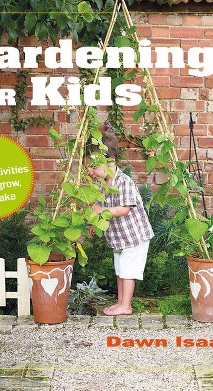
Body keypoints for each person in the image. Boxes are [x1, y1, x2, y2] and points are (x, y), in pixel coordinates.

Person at [86, 122, 154, 316]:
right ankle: (121, 302)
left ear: (110, 162)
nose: (90, 171)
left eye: (93, 166)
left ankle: (126, 305)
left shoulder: (124, 182)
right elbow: (102, 209)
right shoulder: (103, 184)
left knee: (128, 271)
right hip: (120, 239)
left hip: (134, 237)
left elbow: (124, 209)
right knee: (120, 270)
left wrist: (101, 211)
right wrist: (96, 223)